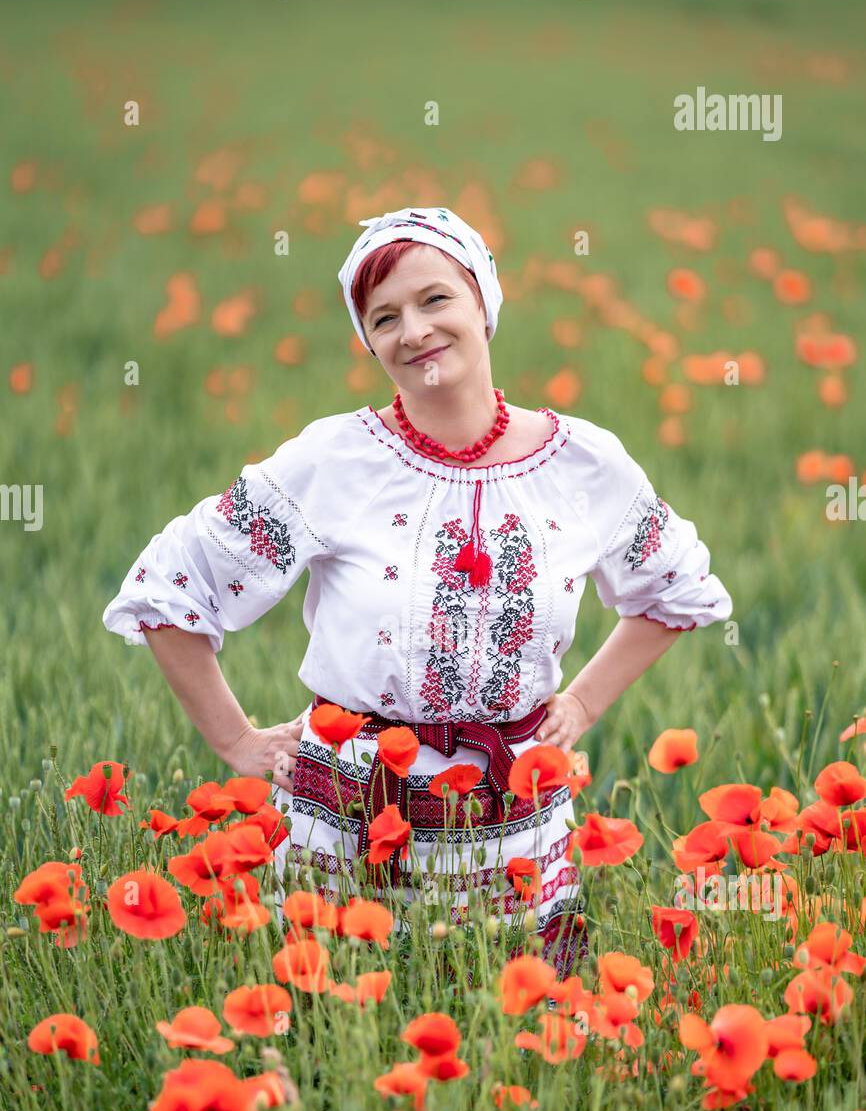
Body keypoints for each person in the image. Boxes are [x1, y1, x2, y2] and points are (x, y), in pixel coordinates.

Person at [102, 205, 733, 977]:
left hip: (516, 830)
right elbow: (173, 587)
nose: (414, 331)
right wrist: (235, 740)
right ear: (368, 342)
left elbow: (671, 589)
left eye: (436, 299)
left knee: (518, 1045)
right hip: (349, 832)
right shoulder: (336, 461)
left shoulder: (584, 465)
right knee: (345, 1043)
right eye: (384, 317)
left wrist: (584, 702)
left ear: (483, 303)